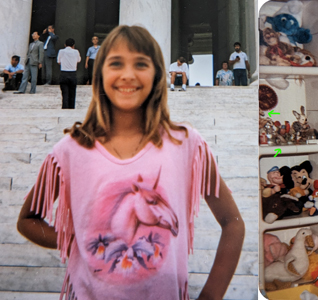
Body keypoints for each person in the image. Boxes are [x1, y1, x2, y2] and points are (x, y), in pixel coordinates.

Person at [16, 25, 244, 300]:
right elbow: (27, 219)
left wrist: (210, 297)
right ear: (99, 74)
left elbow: (232, 222)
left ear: (157, 75)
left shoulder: (187, 144)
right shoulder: (70, 149)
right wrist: (77, 238)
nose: (127, 74)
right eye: (115, 64)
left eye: (140, 64)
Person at [57, 38, 80, 109]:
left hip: (64, 73)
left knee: (65, 93)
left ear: (65, 45)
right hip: (73, 73)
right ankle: (71, 108)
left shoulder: (61, 51)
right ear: (73, 45)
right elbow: (78, 60)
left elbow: (59, 61)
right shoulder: (76, 51)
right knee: (72, 93)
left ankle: (65, 107)